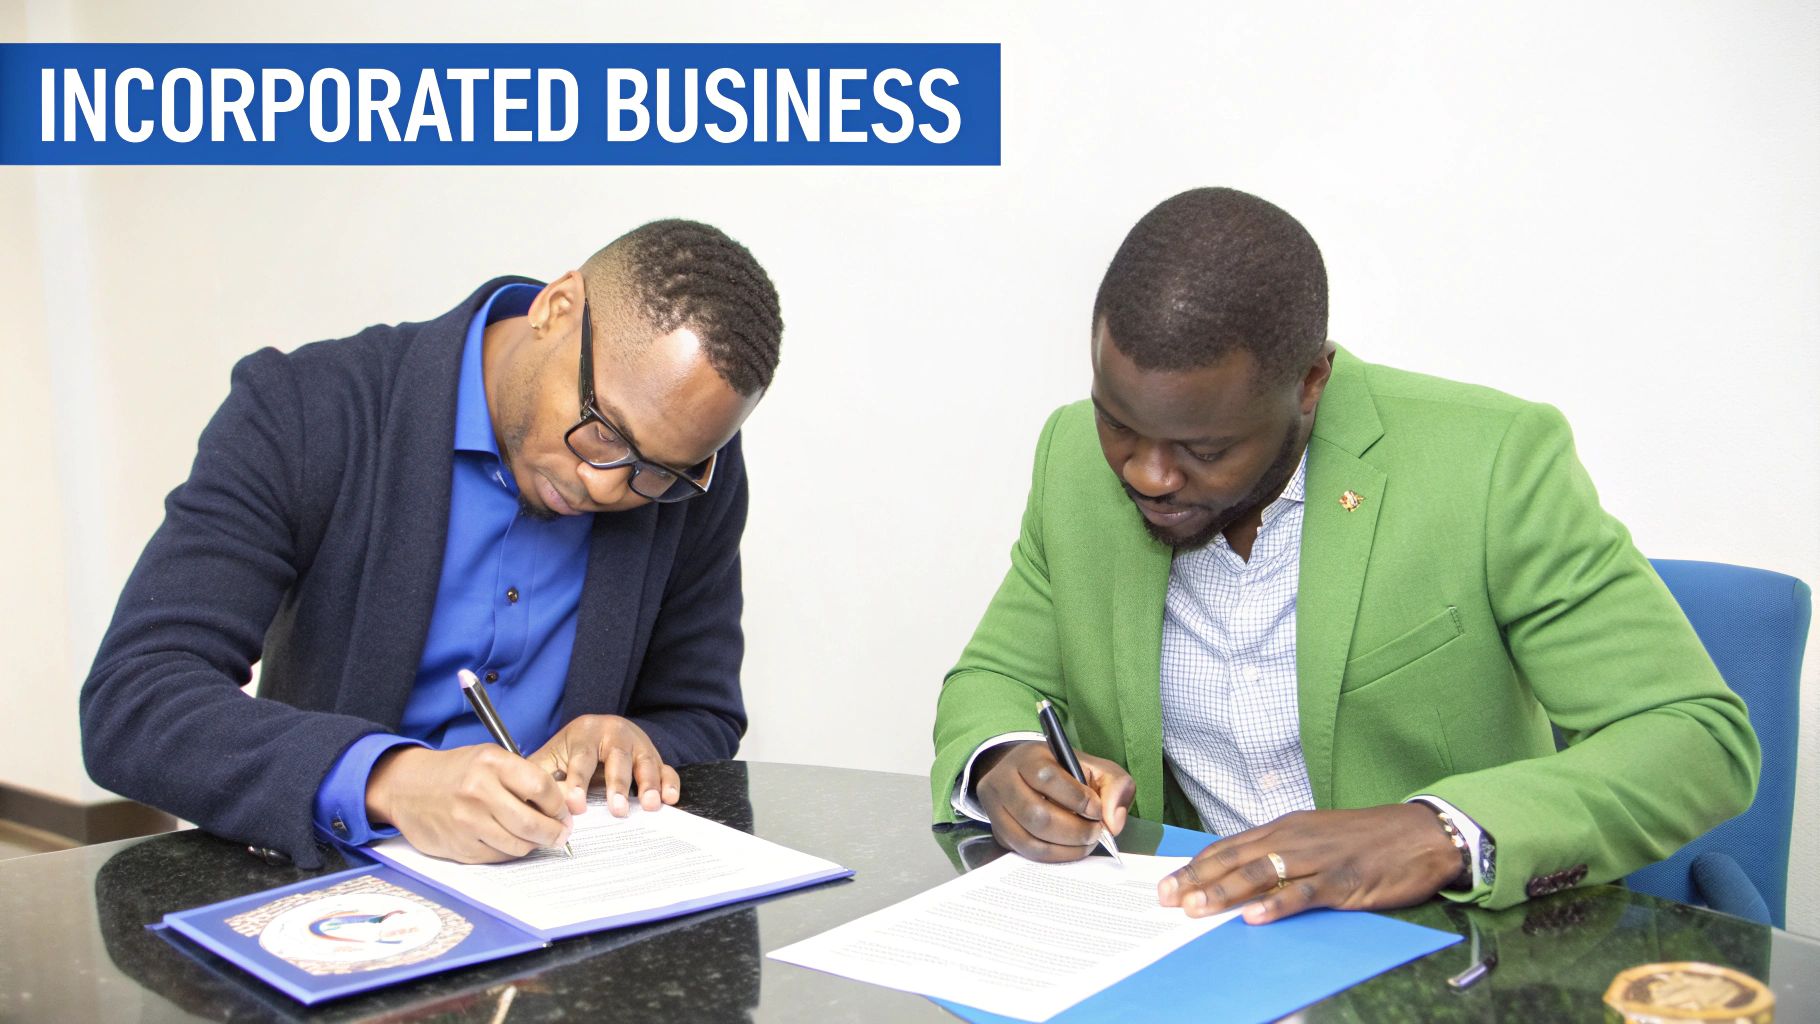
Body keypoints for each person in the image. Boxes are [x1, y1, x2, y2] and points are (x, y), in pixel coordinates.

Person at [931, 188, 1758, 918]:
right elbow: (994, 678)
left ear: (1310, 383)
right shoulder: (1072, 458)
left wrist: (1434, 833)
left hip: (1447, 960)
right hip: (1191, 945)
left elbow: (1694, 735)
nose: (1148, 473)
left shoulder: (1490, 464)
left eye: (1204, 448)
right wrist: (1003, 761)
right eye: (1118, 422)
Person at [81, 218, 782, 869]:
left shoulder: (688, 472)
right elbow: (134, 699)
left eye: (655, 473)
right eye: (603, 431)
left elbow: (701, 713)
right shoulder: (306, 408)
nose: (606, 486)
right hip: (335, 897)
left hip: (561, 894)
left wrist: (634, 747)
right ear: (555, 308)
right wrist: (389, 780)